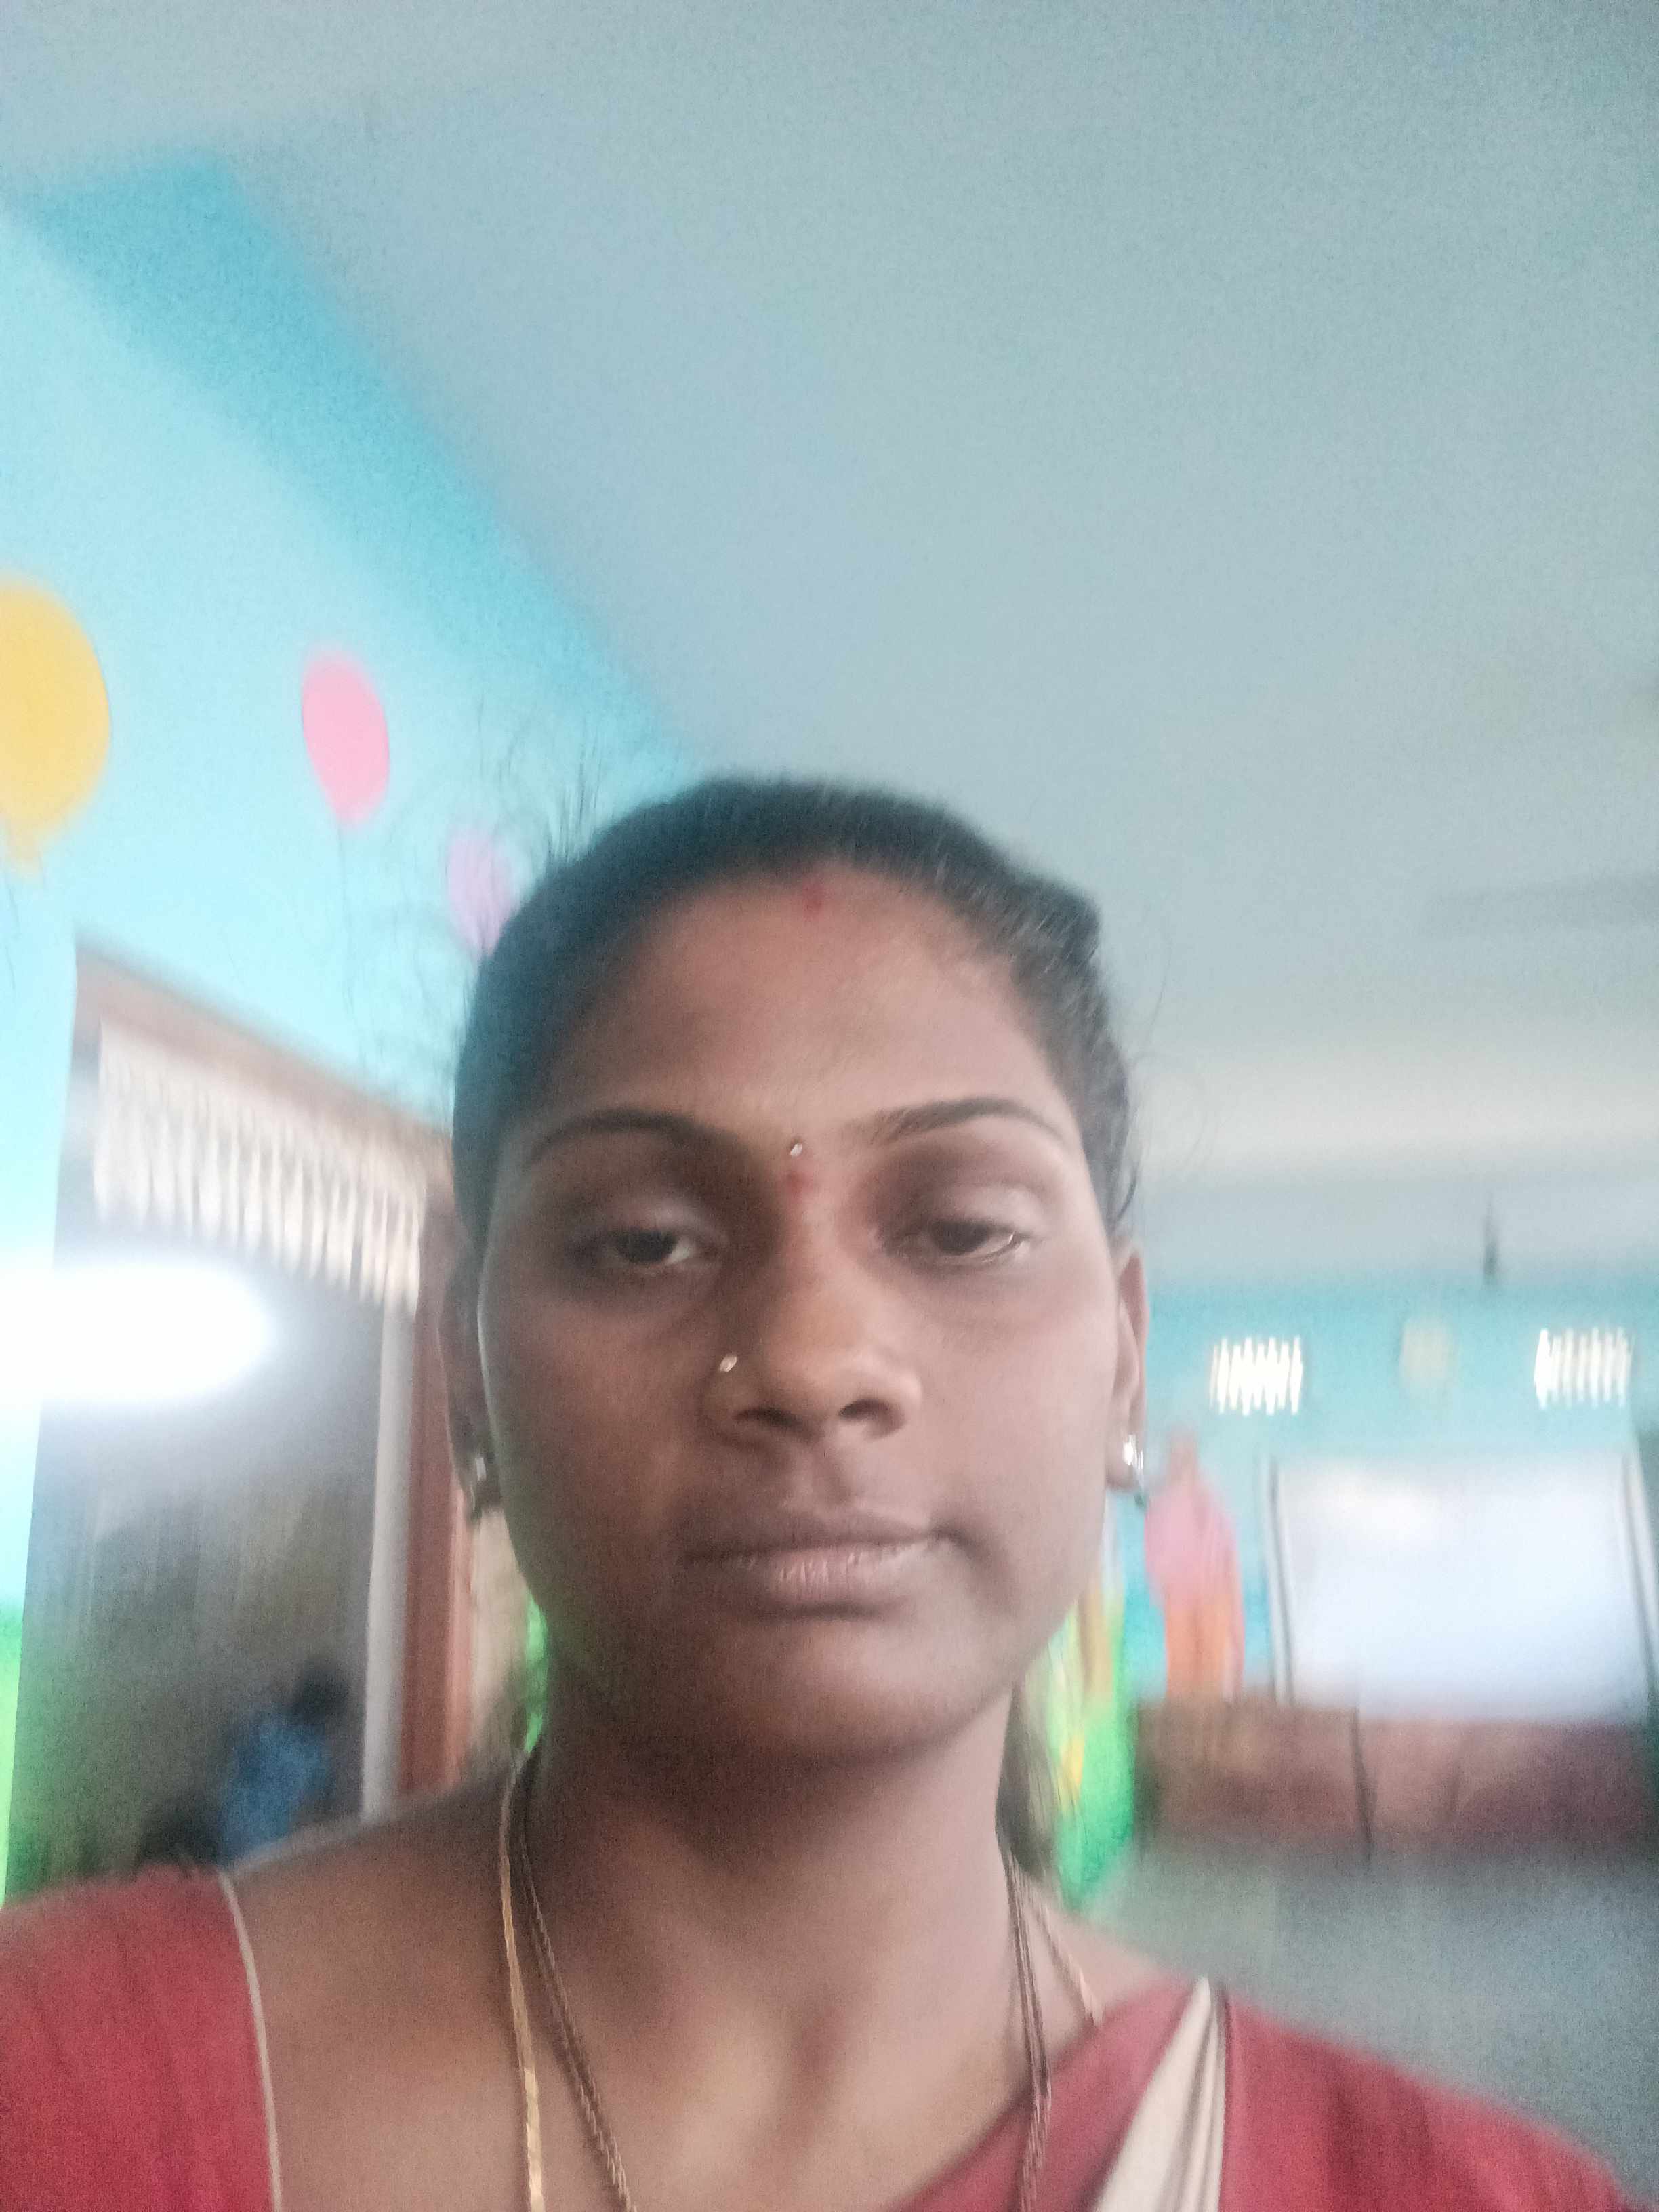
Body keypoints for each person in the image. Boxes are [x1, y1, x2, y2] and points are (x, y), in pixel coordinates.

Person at [0, 779, 1643, 2210]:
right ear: (463, 1363)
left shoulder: (1456, 2192)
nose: (808, 1359)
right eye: (642, 1240)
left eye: (961, 1229)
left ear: (1126, 1364)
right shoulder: (58, 2095)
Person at [1142, 1429, 1246, 1700]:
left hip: (1211, 1598)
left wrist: (1236, 1623)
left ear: (1194, 1460)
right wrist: (1163, 1588)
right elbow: (1155, 1562)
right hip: (1180, 1601)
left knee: (1210, 1679)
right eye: (1175, 1457)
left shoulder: (1210, 1503)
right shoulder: (1160, 1507)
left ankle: (1208, 1718)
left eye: (1185, 1456)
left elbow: (1228, 1559)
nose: (1179, 1464)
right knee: (1181, 1679)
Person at [217, 1661, 351, 1864]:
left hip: (235, 1829)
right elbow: (325, 1808)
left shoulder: (266, 1724)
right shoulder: (314, 1753)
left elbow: (234, 1750)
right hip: (262, 1841)